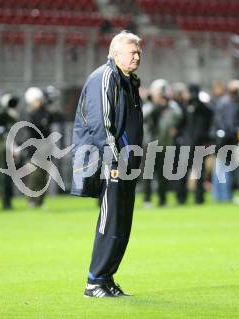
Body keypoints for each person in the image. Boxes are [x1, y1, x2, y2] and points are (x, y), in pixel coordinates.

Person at [71, 31, 143, 298]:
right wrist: (114, 160)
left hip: (127, 160)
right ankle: (94, 281)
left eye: (138, 52)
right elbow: (102, 124)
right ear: (115, 53)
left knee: (122, 223)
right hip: (109, 161)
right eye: (131, 52)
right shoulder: (105, 77)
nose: (136, 56)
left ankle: (107, 279)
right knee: (110, 221)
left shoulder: (128, 81)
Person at [142, 79, 183, 207]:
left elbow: (178, 116)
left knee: (163, 175)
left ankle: (162, 199)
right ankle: (147, 199)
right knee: (147, 175)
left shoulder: (171, 106)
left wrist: (167, 104)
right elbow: (143, 115)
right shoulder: (148, 105)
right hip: (150, 144)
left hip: (165, 144)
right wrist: (156, 105)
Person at [176, 84, 213, 204]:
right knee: (183, 172)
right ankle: (181, 198)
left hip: (198, 144)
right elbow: (179, 123)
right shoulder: (184, 107)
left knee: (199, 173)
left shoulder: (203, 108)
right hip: (187, 144)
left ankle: (199, 198)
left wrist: (198, 103)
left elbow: (210, 114)